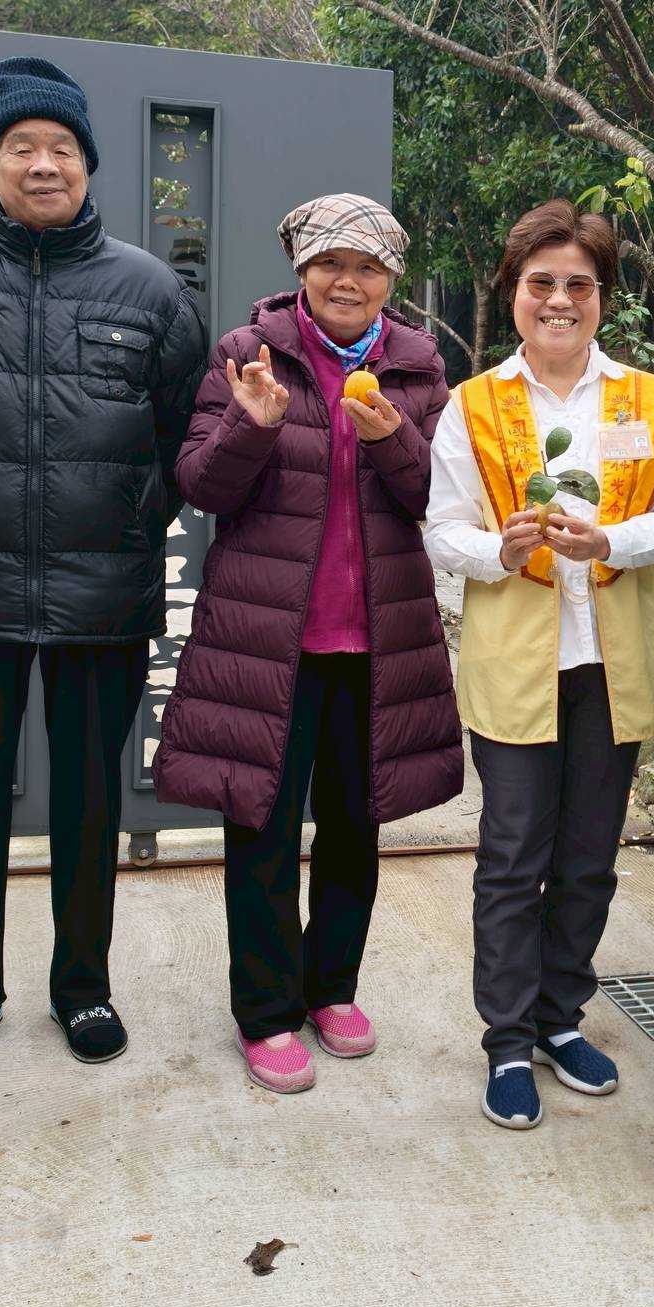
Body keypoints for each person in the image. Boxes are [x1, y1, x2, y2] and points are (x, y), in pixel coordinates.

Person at [0, 55, 207, 1079]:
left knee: (89, 805)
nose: (44, 164)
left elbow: (182, 436)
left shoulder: (150, 291)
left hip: (102, 595)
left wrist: (129, 521)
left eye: (62, 148)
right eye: (22, 148)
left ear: (89, 165)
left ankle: (83, 987)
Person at [156, 194, 462, 1094]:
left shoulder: (418, 368)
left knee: (355, 826)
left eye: (367, 267)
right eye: (330, 262)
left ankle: (332, 988)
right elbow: (201, 485)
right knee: (260, 827)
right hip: (268, 641)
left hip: (377, 642)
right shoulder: (248, 353)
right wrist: (250, 425)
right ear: (301, 270)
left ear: (391, 280)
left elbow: (439, 501)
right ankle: (264, 1009)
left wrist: (395, 440)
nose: (347, 281)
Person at [425, 199, 654, 1131]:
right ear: (514, 292)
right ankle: (507, 1038)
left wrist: (610, 538)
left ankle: (558, 1015)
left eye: (580, 283)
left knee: (588, 855)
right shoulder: (473, 404)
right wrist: (497, 549)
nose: (560, 300)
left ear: (603, 296)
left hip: (612, 659)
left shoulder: (647, 398)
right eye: (542, 282)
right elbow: (441, 529)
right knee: (511, 854)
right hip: (517, 657)